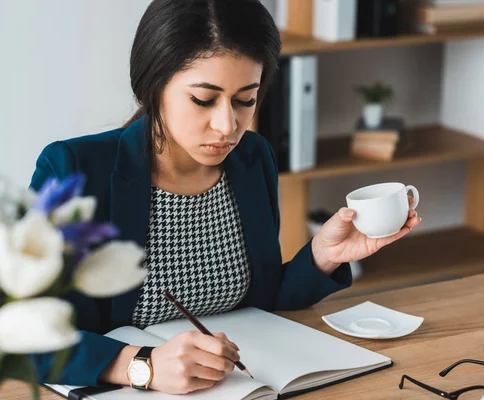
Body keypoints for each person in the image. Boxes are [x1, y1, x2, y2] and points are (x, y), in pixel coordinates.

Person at [29, 0, 421, 395]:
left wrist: (323, 255)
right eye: (203, 99)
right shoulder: (73, 171)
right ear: (153, 85)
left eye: (245, 99)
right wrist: (140, 365)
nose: (227, 126)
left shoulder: (252, 158)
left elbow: (261, 303)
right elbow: (21, 330)